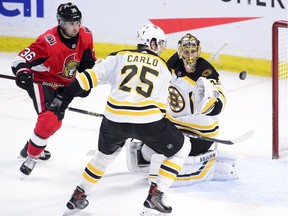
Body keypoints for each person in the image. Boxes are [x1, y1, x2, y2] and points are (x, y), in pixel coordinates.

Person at [48, 24, 191, 216]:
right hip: (148, 121)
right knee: (182, 148)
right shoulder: (163, 67)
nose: (162, 48)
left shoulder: (119, 56)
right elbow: (161, 108)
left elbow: (84, 80)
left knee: (103, 158)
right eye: (160, 43)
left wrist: (62, 99)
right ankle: (156, 194)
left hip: (113, 120)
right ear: (152, 42)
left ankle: (79, 194)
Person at [126, 33, 236, 186]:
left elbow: (220, 98)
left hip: (200, 135)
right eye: (186, 52)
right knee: (146, 151)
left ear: (198, 51)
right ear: (179, 52)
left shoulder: (206, 72)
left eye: (193, 51)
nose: (190, 55)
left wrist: (211, 104)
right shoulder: (172, 65)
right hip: (175, 127)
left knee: (158, 153)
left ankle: (196, 165)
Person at [11, 2, 96, 176]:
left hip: (65, 85)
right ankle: (31, 156)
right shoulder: (47, 41)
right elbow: (18, 60)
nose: (76, 27)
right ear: (61, 23)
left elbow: (87, 64)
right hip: (43, 82)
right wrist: (23, 73)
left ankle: (33, 145)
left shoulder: (86, 35)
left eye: (77, 22)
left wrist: (86, 81)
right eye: (71, 23)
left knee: (56, 121)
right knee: (49, 118)